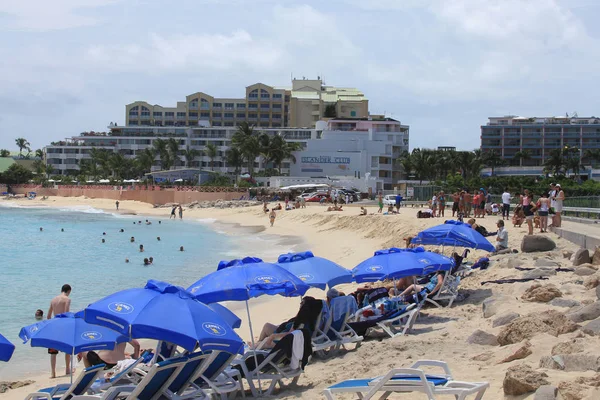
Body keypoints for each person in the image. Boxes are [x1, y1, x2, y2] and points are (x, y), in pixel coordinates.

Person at [255, 296, 323, 349]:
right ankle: (259, 342)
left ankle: (258, 344)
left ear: (307, 306)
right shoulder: (306, 318)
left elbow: (290, 335)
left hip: (281, 340)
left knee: (255, 346)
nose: (300, 304)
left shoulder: (301, 321)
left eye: (302, 303)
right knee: (267, 326)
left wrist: (273, 336)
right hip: (282, 334)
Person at [48, 284, 72, 378]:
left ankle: (53, 373)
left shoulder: (53, 300)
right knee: (68, 349)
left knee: (53, 352)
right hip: (63, 326)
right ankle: (67, 369)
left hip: (54, 326)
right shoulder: (67, 299)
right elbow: (66, 314)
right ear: (69, 291)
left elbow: (49, 316)